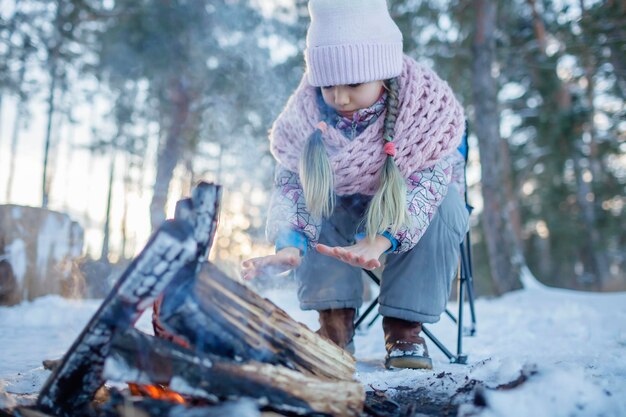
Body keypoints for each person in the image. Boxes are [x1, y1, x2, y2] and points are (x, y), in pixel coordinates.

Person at [241, 0, 469, 370]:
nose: (340, 97)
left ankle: (404, 328)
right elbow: (291, 186)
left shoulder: (428, 112)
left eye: (353, 84)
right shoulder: (305, 117)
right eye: (328, 85)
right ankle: (334, 327)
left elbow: (428, 185)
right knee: (319, 195)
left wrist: (381, 238)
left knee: (445, 207)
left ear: (382, 72)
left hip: (411, 211)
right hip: (341, 215)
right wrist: (290, 244)